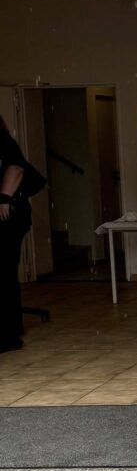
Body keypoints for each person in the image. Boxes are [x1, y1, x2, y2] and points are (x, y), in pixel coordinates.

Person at [0, 116, 32, 354]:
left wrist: (4, 199)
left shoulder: (5, 144)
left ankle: (8, 334)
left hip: (7, 215)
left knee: (4, 272)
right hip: (10, 213)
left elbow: (17, 169)